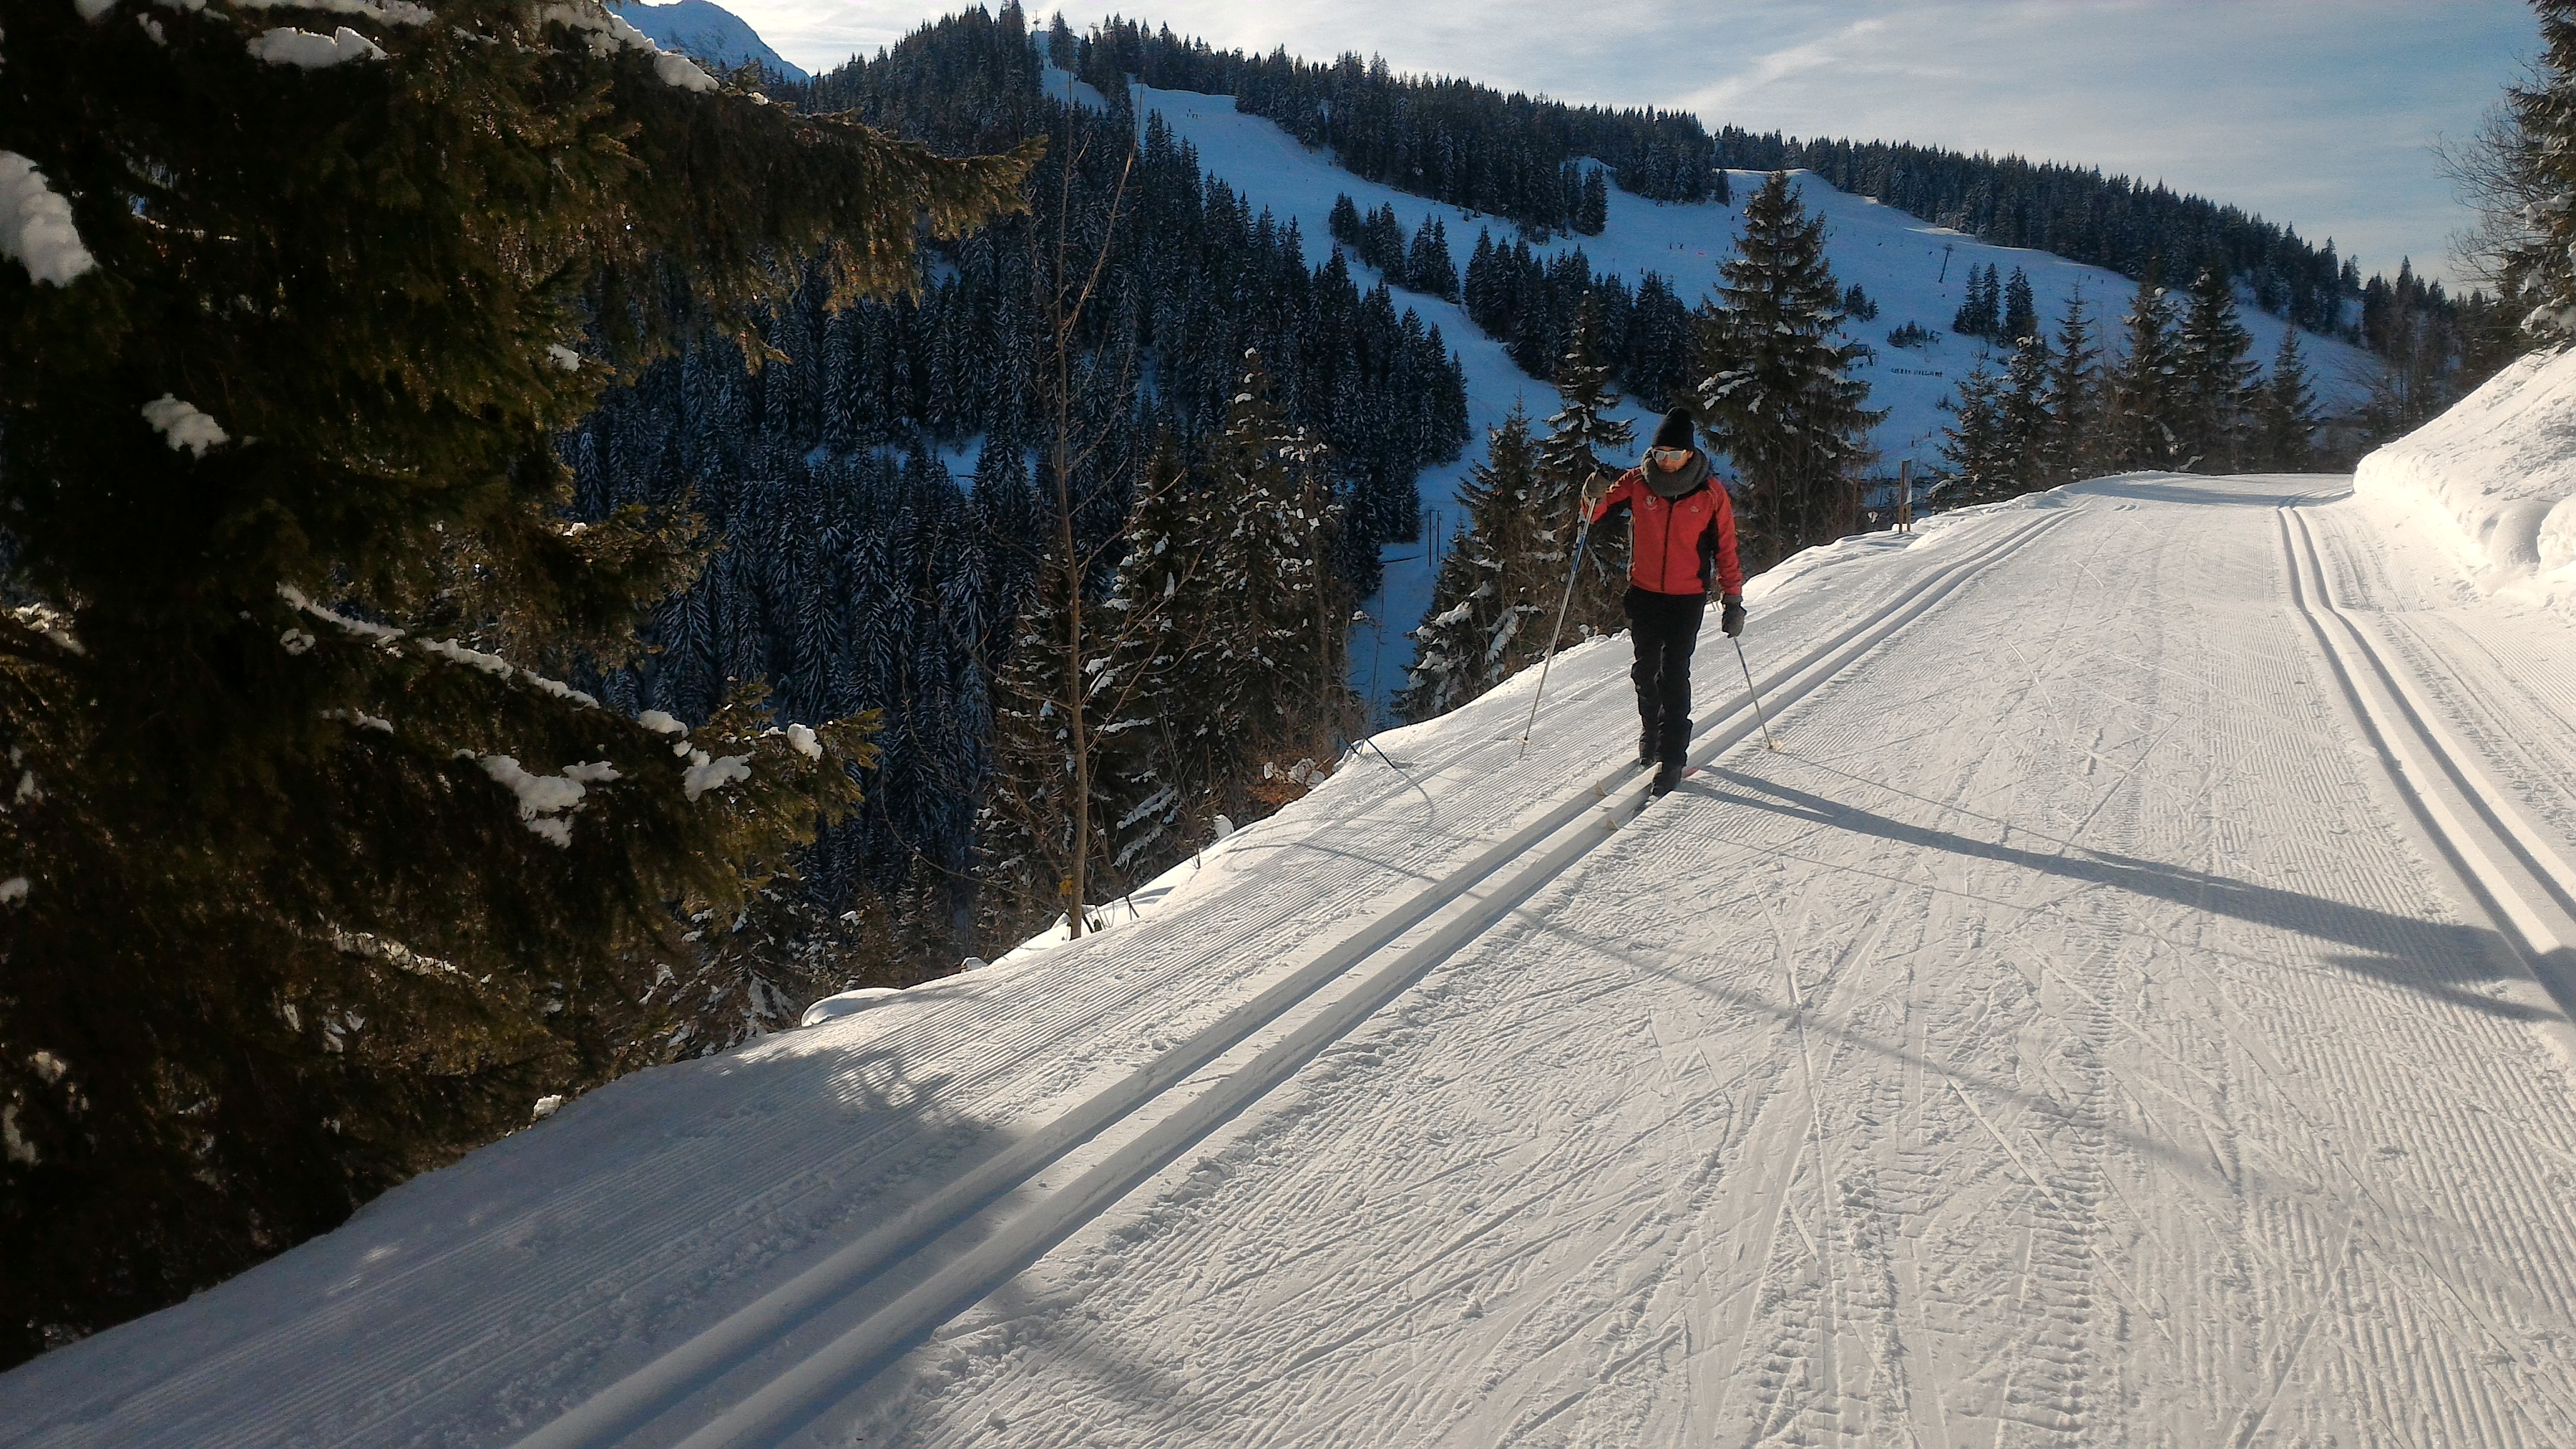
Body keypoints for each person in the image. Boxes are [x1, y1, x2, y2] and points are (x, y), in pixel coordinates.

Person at [1582, 407, 1744, 796]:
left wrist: (1733, 599)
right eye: (1659, 454)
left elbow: (1726, 548)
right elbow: (1595, 514)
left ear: (1689, 454)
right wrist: (1591, 494)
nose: (1666, 462)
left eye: (1673, 454)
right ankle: (1651, 732)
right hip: (1644, 593)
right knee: (1644, 672)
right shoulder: (1638, 482)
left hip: (1687, 598)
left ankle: (1672, 758)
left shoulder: (1710, 493)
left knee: (1673, 675)